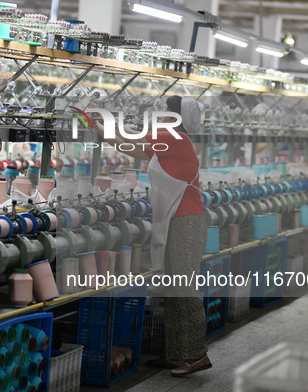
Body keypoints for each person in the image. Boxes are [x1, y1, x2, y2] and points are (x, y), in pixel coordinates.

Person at [91, 95, 212, 377]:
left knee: (185, 288)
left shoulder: (175, 139)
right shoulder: (167, 143)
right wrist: (102, 124)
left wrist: (101, 121)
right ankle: (176, 355)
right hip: (176, 223)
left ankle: (196, 355)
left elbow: (128, 140)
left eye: (167, 112)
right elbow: (128, 145)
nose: (162, 115)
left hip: (186, 223)